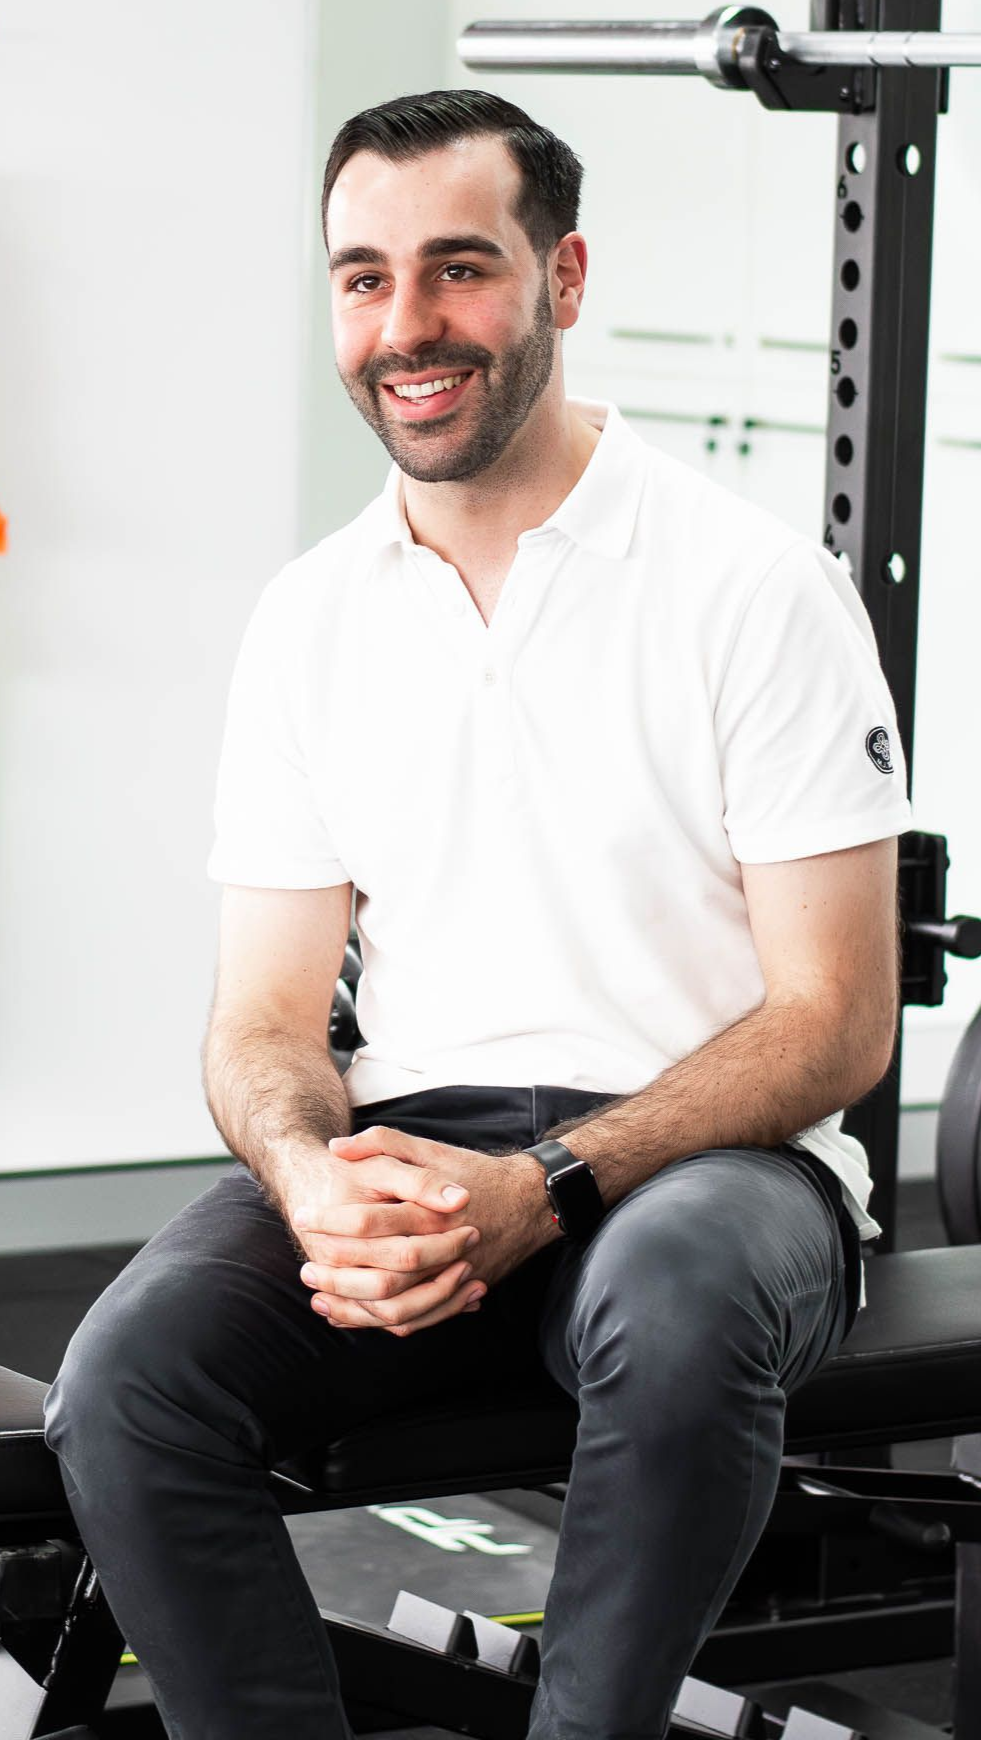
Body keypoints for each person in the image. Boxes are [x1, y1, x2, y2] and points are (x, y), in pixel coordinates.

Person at [44, 89, 912, 1740]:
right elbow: (261, 1022)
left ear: (565, 278)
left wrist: (548, 1183)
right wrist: (311, 1180)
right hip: (420, 1146)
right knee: (129, 1383)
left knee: (672, 1304)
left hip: (708, 1169)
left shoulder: (747, 589)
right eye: (363, 278)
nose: (407, 326)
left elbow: (835, 1021)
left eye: (459, 269)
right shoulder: (308, 622)